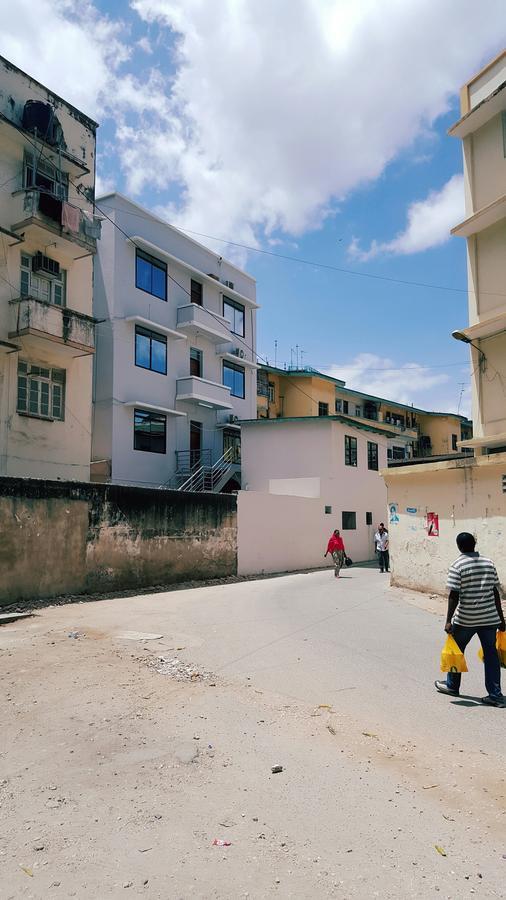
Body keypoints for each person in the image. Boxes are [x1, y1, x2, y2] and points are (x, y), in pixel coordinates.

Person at [435, 532, 505, 707]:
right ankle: (495, 695)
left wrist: (448, 620)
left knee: (456, 650)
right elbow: (495, 592)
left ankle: (452, 686)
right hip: (489, 618)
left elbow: (454, 595)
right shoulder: (488, 563)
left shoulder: (457, 564)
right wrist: (501, 619)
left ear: (459, 546)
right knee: (491, 655)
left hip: (466, 619)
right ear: (475, 543)